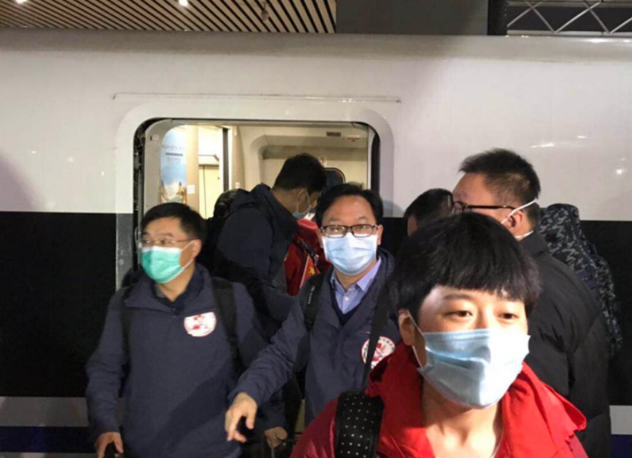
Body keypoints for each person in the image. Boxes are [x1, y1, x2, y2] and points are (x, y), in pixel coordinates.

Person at [291, 213, 588, 458]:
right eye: (461, 312)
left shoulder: (556, 440)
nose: (488, 336)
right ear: (409, 327)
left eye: (508, 315)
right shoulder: (346, 434)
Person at [86, 203, 283, 458]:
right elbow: (104, 369)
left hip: (217, 449)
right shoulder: (127, 303)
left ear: (193, 248)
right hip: (144, 449)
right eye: (147, 241)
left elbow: (258, 361)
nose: (153, 250)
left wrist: (273, 418)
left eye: (165, 241)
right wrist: (105, 424)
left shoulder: (228, 299)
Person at [452, 149, 610, 458]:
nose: (454, 219)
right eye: (453, 206)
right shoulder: (550, 269)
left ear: (512, 219)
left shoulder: (522, 293)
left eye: (465, 208)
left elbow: (531, 405)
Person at [224, 184, 400, 446]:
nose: (349, 237)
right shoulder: (314, 293)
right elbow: (283, 354)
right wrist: (248, 392)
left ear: (378, 234)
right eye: (336, 228)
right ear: (321, 236)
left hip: (384, 446)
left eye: (361, 227)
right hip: (321, 442)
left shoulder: (406, 294)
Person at [215, 153, 326, 339]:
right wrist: (302, 310)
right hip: (241, 326)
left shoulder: (272, 219)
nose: (313, 205)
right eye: (314, 199)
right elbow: (252, 289)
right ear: (302, 195)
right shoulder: (252, 222)